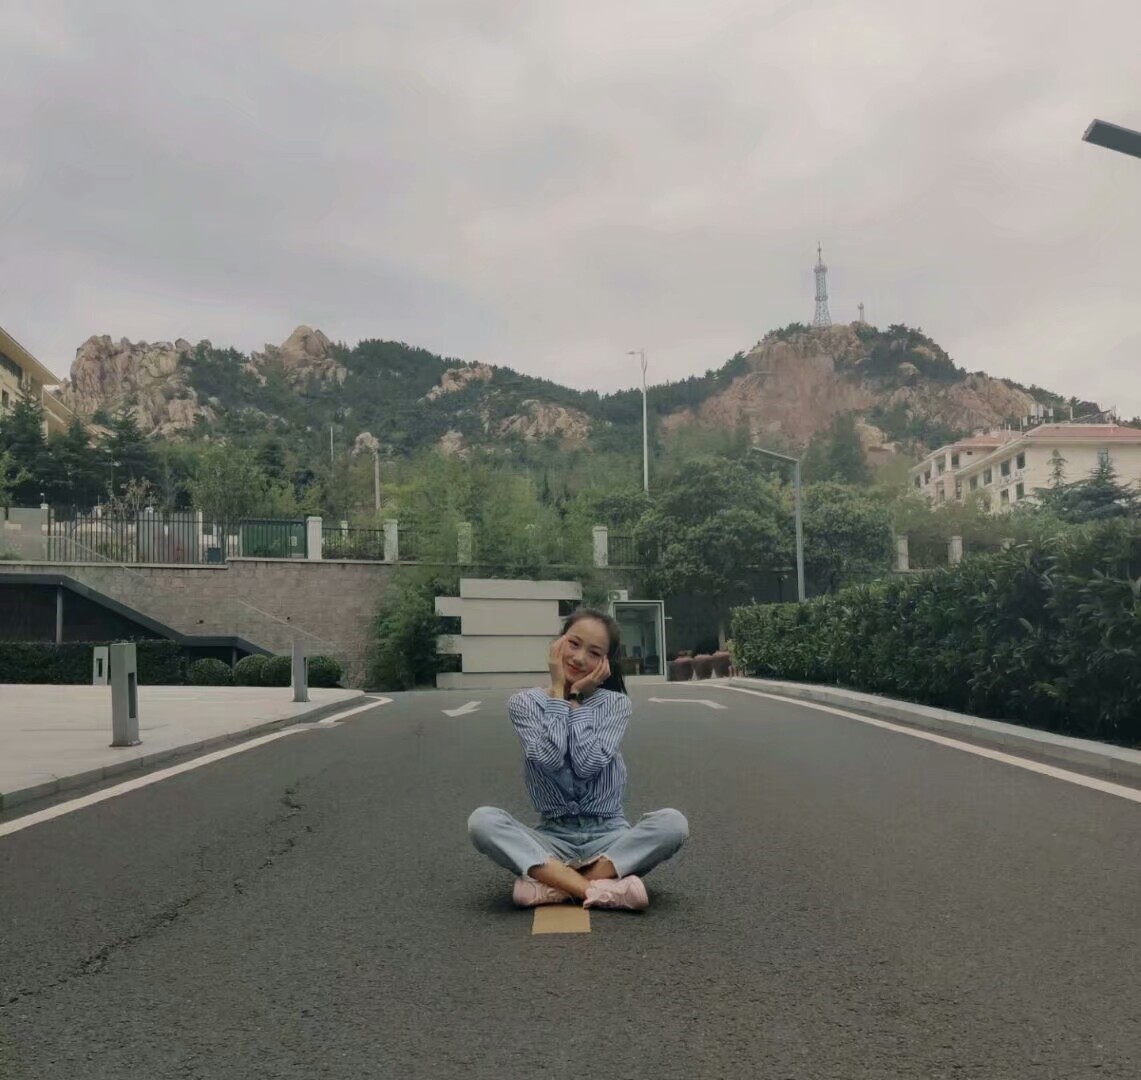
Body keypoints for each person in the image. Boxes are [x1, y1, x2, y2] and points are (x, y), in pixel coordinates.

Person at [468, 608, 688, 911]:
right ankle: (595, 889)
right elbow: (549, 758)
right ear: (557, 643)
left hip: (609, 837)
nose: (580, 658)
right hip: (552, 837)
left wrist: (575, 700)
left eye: (594, 653)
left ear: (606, 663)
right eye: (573, 643)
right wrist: (559, 691)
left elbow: (586, 766)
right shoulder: (524, 703)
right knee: (482, 822)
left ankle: (555, 884)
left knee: (673, 824)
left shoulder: (615, 704)